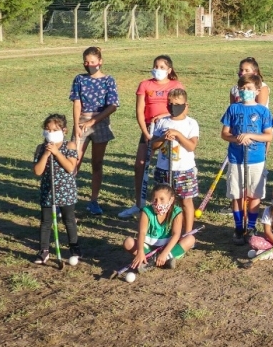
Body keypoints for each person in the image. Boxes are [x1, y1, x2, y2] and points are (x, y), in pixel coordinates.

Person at [121, 55, 184, 218]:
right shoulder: (145, 84)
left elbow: (182, 108)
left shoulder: (176, 85)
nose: (158, 69)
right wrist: (145, 132)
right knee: (140, 165)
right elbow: (139, 111)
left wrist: (163, 115)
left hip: (168, 128)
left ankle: (172, 204)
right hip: (150, 129)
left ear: (169, 70)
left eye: (162, 67)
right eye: (156, 66)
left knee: (170, 165)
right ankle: (139, 204)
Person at [221, 74, 273, 244]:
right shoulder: (233, 109)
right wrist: (236, 138)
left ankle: (251, 226)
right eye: (242, 88)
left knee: (254, 195)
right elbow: (225, 134)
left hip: (256, 159)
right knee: (237, 194)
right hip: (236, 158)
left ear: (257, 90)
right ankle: (239, 227)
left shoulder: (263, 111)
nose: (245, 91)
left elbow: (268, 136)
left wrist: (250, 136)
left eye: (249, 88)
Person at [69, 46, 119, 215]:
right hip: (82, 122)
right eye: (86, 62)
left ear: (100, 61)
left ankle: (93, 201)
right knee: (74, 161)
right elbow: (77, 102)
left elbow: (113, 105)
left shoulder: (108, 80)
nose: (89, 65)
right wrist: (76, 124)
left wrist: (94, 121)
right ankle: (67, 201)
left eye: (92, 61)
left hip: (101, 123)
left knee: (97, 163)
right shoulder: (79, 79)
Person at [32, 114, 81, 264]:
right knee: (46, 221)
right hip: (48, 191)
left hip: (66, 191)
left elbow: (70, 167)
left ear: (64, 131)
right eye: (48, 130)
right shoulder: (41, 148)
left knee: (69, 219)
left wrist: (57, 153)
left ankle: (74, 247)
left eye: (54, 130)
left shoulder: (70, 146)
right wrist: (47, 154)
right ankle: (44, 250)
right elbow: (37, 171)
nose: (50, 133)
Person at [150, 89, 199, 234]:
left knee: (185, 201)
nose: (173, 107)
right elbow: (153, 145)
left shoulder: (191, 123)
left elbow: (191, 146)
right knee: (163, 200)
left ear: (186, 105)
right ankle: (164, 229)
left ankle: (188, 233)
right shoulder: (162, 122)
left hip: (184, 170)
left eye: (177, 104)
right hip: (163, 168)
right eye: (170, 104)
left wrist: (178, 135)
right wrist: (163, 138)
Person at [122, 183, 195, 270]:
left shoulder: (176, 212)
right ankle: (159, 259)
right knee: (128, 242)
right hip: (148, 247)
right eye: (155, 199)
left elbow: (176, 234)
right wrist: (140, 251)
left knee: (190, 239)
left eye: (162, 199)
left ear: (171, 199)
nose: (158, 203)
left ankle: (160, 258)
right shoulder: (146, 211)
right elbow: (142, 232)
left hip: (168, 247)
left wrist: (165, 253)